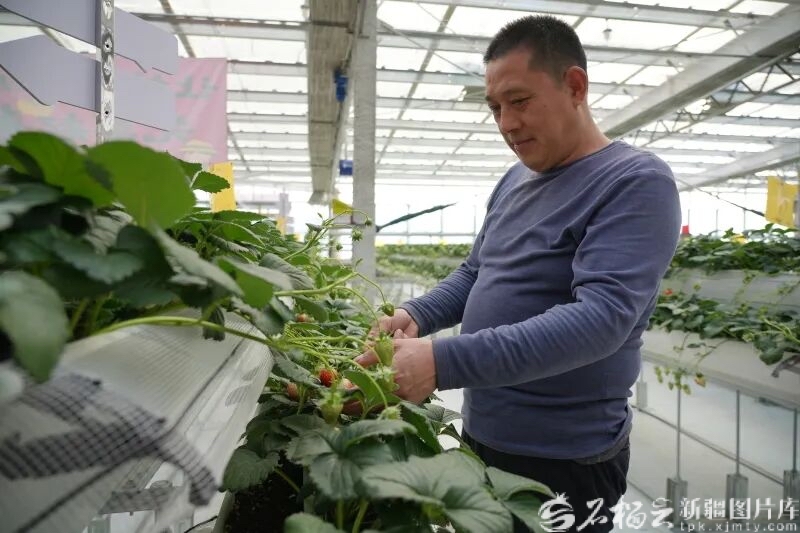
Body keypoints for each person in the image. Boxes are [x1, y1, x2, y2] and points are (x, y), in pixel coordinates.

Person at [357, 14, 681, 533]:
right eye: (495, 108)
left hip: (564, 462)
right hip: (482, 437)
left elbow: (601, 320)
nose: (506, 123)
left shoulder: (635, 181)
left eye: (520, 101)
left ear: (575, 86)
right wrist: (417, 314)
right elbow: (476, 272)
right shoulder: (514, 180)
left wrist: (441, 361)